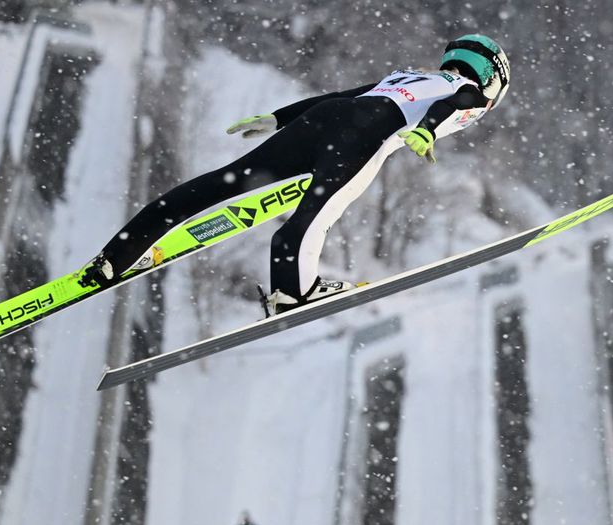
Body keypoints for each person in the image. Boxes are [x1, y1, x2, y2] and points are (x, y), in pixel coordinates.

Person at [79, 35, 511, 316]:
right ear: (493, 79)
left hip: (325, 119)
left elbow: (338, 96)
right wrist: (426, 130)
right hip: (364, 133)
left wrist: (276, 119)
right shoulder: (468, 92)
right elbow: (459, 101)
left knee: (222, 181)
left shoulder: (408, 74)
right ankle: (292, 291)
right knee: (315, 216)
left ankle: (116, 256)